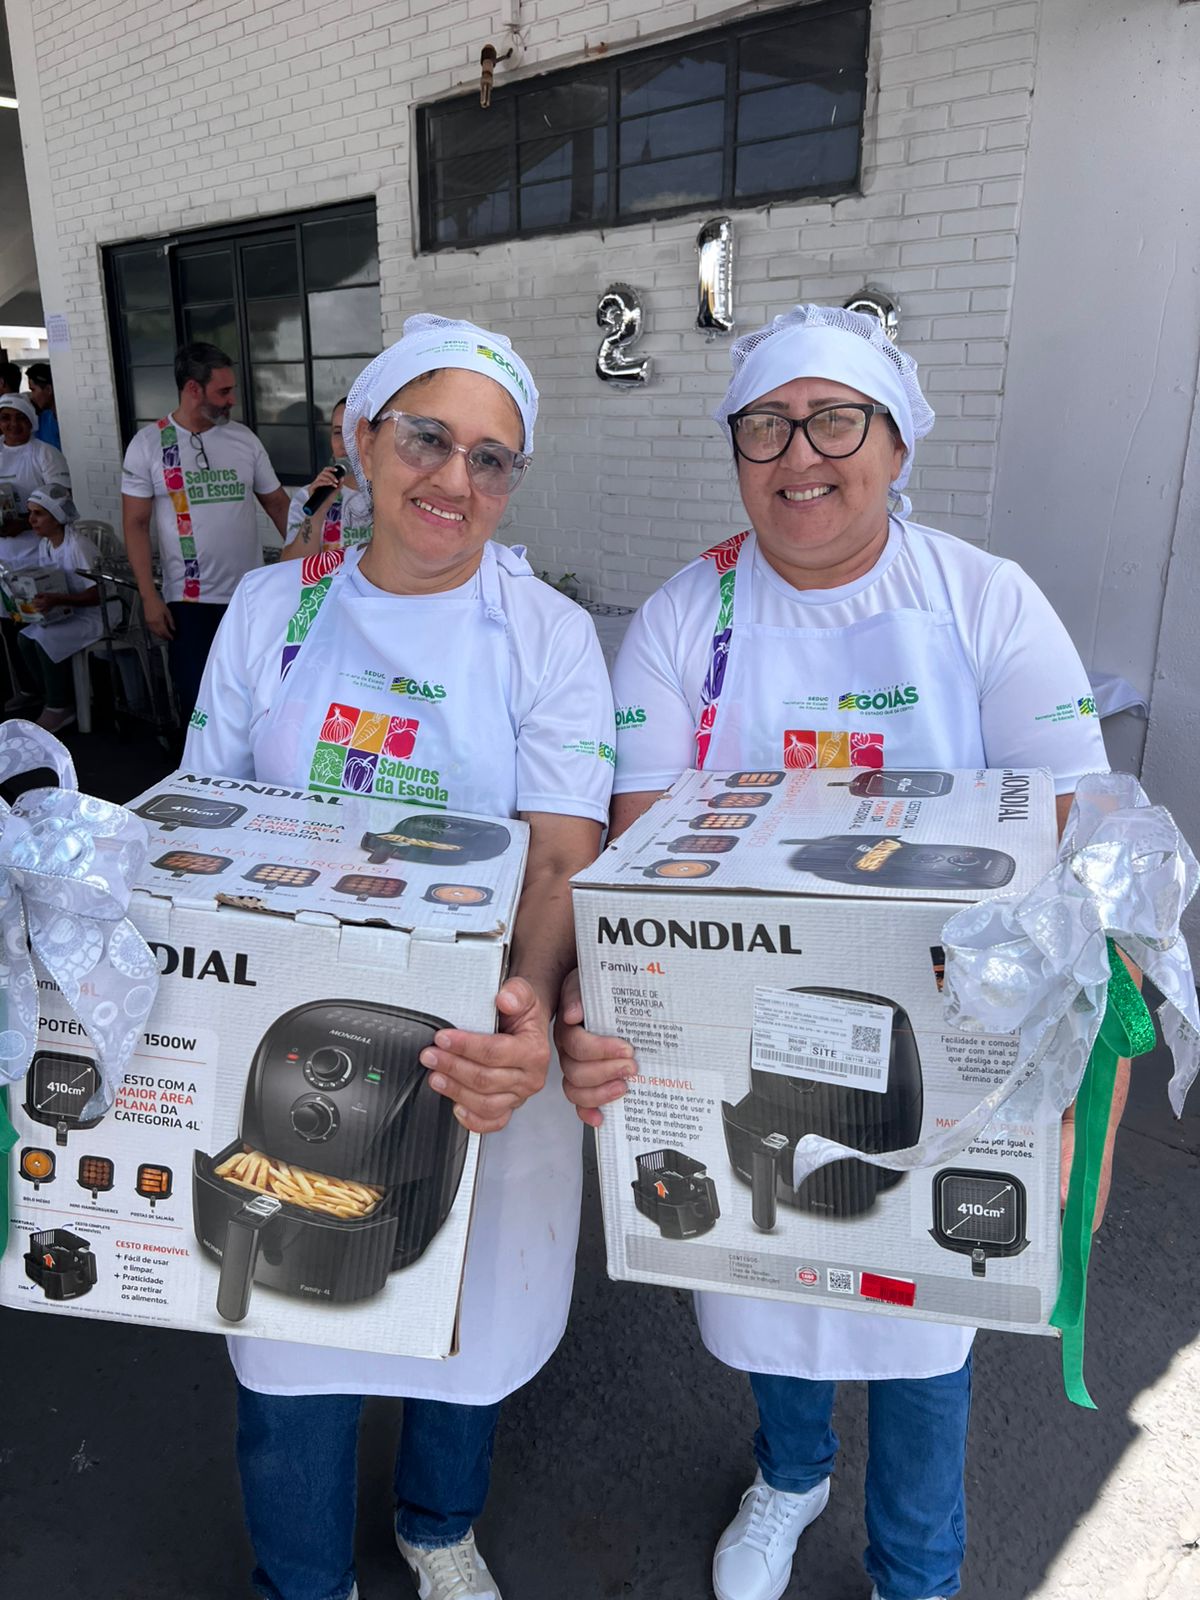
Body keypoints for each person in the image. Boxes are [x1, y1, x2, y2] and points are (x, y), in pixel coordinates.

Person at [556, 305, 1117, 1600]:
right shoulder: (684, 619)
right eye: (765, 425)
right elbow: (637, 863)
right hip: (747, 1035)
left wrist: (1088, 1080)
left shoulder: (983, 602)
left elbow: (1082, 841)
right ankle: (792, 1472)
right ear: (737, 450)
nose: (799, 453)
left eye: (836, 420)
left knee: (926, 1318)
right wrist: (604, 1000)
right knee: (767, 1267)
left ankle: (917, 1570)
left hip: (950, 1045)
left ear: (898, 442)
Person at [184, 314, 615, 1600]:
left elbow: (559, 855)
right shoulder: (273, 612)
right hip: (284, 1041)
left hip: (472, 1047)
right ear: (359, 438)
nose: (454, 480)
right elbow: (201, 819)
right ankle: (304, 1581)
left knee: (461, 1313)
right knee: (289, 1327)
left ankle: (437, 1524)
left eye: (492, 458)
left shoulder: (546, 633)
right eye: (427, 437)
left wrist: (524, 1014)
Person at [120, 341, 292, 725]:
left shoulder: (244, 439)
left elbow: (279, 506)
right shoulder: (148, 445)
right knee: (199, 705)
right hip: (189, 602)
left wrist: (314, 568)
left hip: (250, 598)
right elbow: (135, 524)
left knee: (255, 700)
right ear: (193, 389)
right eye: (224, 391)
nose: (232, 401)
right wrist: (148, 597)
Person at [11, 485, 104, 732]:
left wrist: (59, 600)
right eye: (31, 513)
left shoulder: (78, 546)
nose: (31, 520)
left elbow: (99, 594)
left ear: (57, 517)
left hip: (96, 616)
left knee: (45, 640)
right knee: (25, 638)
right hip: (67, 611)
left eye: (38, 514)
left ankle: (59, 707)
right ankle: (55, 696)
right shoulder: (46, 545)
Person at [280, 396, 371, 560]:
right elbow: (290, 564)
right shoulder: (308, 497)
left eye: (354, 432)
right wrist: (317, 513)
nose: (345, 443)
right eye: (338, 432)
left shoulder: (393, 495)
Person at [26, 362, 61, 451]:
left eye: (33, 390)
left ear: (48, 389)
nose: (32, 396)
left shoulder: (71, 420)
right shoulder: (41, 420)